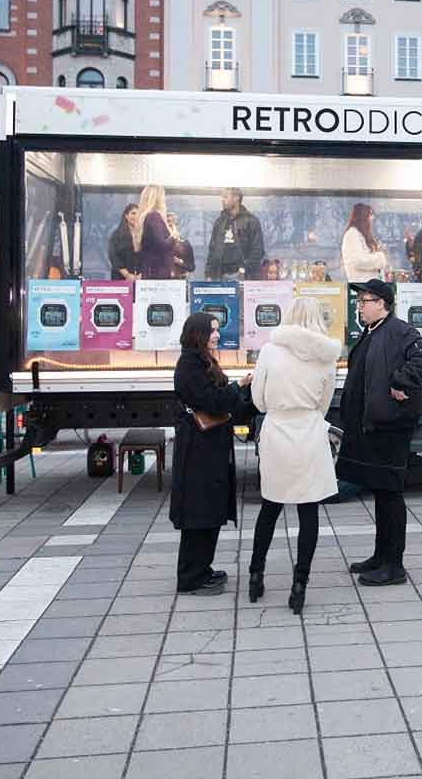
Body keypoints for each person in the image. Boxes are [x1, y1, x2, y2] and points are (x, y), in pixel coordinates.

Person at [336, 279, 422, 586]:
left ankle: (394, 566)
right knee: (381, 493)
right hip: (373, 428)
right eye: (359, 302)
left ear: (382, 303)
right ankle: (380, 556)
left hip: (390, 428)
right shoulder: (373, 332)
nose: (359, 307)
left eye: (364, 301)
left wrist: (400, 382)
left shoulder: (399, 331)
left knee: (390, 494)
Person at [247, 297, 341, 615]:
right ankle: (299, 585)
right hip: (309, 433)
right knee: (308, 511)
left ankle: (256, 575)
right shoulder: (327, 357)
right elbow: (325, 403)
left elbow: (258, 401)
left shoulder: (270, 350)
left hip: (278, 431)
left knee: (270, 507)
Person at [171, 312, 254, 594]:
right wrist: (239, 386)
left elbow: (226, 403)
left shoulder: (203, 361)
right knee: (198, 512)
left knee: (209, 511)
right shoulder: (188, 365)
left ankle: (203, 569)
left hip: (210, 448)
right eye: (213, 330)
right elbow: (212, 401)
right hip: (197, 450)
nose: (217, 335)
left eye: (218, 330)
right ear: (198, 334)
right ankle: (190, 577)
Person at [206, 187, 265, 280]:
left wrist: (243, 269)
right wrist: (208, 274)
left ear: (236, 198)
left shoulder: (251, 220)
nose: (222, 200)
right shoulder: (219, 222)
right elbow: (212, 250)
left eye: (225, 196)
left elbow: (258, 250)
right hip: (220, 276)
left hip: (243, 276)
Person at [341, 203, 389, 282]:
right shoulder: (352, 234)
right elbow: (358, 261)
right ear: (363, 217)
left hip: (369, 288)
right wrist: (380, 257)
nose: (371, 219)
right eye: (370, 216)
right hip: (362, 288)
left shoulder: (359, 235)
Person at [136, 185, 177, 279]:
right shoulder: (154, 216)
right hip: (158, 274)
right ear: (158, 198)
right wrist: (173, 237)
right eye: (163, 196)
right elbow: (161, 244)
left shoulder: (146, 217)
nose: (165, 199)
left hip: (150, 272)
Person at [108, 203, 142, 280]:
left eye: (138, 213)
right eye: (133, 213)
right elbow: (113, 257)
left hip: (141, 280)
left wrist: (142, 274)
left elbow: (148, 256)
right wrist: (127, 275)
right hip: (121, 278)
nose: (136, 216)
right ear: (126, 216)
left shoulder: (144, 234)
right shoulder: (117, 235)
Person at [167, 212, 196, 279]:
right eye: (167, 222)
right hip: (164, 282)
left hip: (180, 281)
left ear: (176, 225)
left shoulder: (185, 244)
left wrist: (180, 262)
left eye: (171, 222)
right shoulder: (160, 243)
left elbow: (191, 267)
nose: (169, 224)